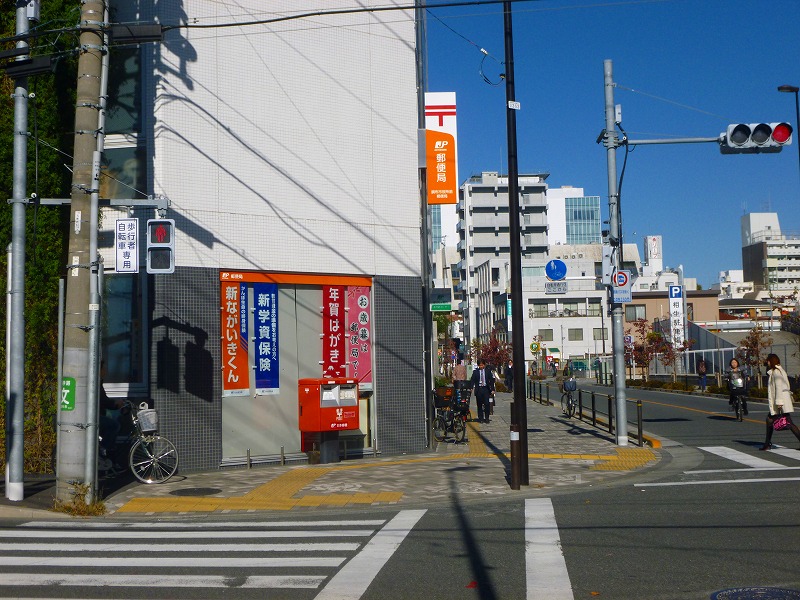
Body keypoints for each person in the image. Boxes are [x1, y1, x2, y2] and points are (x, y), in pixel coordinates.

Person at [760, 353, 800, 450]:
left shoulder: (776, 372)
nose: (767, 362)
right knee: (770, 420)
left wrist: (779, 403)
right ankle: (767, 443)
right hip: (782, 400)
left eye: (768, 360)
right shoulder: (778, 370)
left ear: (771, 361)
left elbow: (778, 388)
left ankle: (767, 444)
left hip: (781, 401)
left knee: (788, 423)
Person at [469, 359, 495, 424]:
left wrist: (492, 389)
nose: (481, 366)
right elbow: (472, 380)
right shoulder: (475, 372)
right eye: (480, 365)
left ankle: (487, 418)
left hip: (486, 389)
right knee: (479, 404)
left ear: (484, 365)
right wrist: (471, 388)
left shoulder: (488, 371)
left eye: (482, 365)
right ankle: (480, 418)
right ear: (478, 365)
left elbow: (491, 380)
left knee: (487, 404)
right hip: (479, 390)